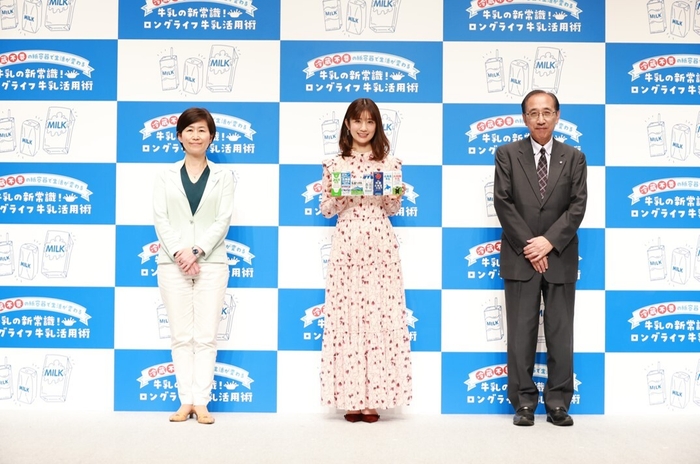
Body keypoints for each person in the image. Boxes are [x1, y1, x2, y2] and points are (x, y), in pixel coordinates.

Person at [493, 90, 587, 427]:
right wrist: (530, 246)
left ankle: (558, 403)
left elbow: (577, 205)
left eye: (547, 112)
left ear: (557, 115)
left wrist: (548, 242)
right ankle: (523, 403)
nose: (541, 119)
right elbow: (503, 202)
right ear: (524, 118)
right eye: (533, 113)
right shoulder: (507, 154)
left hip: (559, 256)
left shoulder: (574, 158)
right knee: (522, 333)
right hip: (521, 257)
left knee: (560, 333)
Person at [319, 98, 413, 423]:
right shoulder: (334, 164)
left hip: (380, 242)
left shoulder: (390, 163)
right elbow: (327, 210)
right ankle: (351, 397)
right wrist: (341, 193)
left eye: (370, 122)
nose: (363, 127)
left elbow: (392, 208)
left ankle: (375, 398)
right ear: (347, 124)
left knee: (379, 315)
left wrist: (394, 192)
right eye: (357, 121)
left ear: (377, 126)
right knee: (347, 317)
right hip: (347, 240)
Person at [152, 107, 234, 425]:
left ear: (211, 137)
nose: (196, 136)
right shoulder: (165, 175)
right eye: (189, 130)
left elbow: (222, 219)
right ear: (179, 136)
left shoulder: (223, 176)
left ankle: (202, 402)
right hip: (172, 264)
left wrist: (197, 251)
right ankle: (185, 400)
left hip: (211, 262)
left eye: (202, 130)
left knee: (206, 336)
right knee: (181, 335)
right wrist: (180, 253)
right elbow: (161, 218)